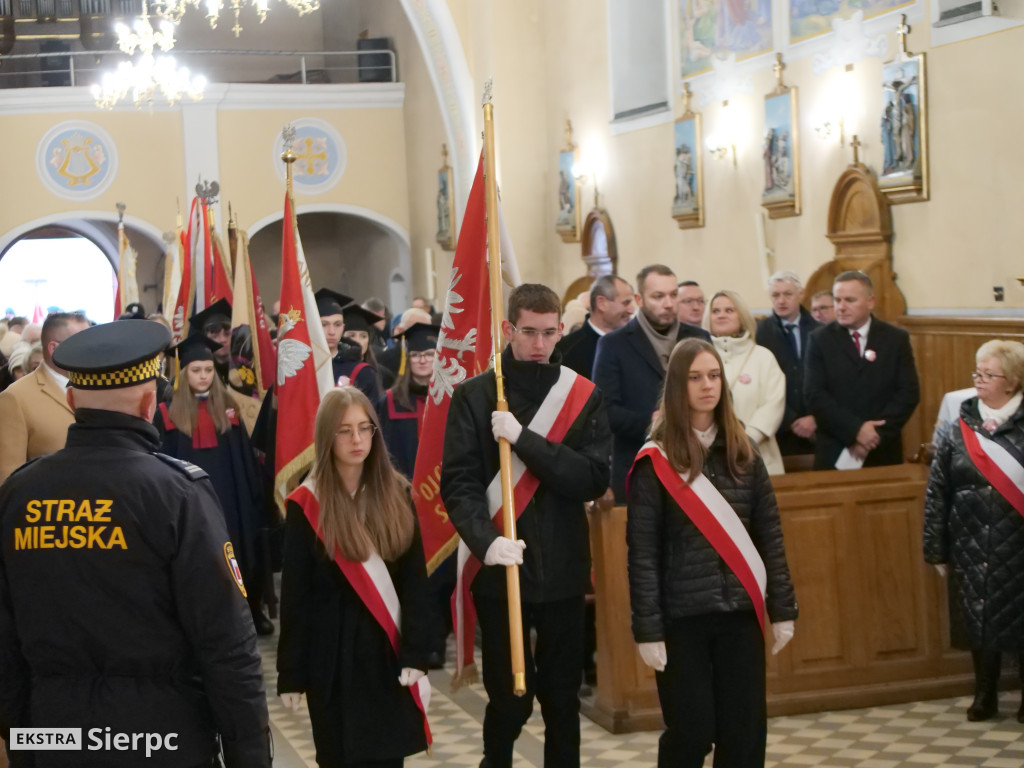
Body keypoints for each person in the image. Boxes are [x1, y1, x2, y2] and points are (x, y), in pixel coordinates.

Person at [0, 320, 271, 768]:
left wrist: (22, 743)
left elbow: (6, 644)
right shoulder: (178, 493)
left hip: (53, 736)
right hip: (162, 738)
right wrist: (251, 755)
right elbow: (226, 643)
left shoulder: (18, 495)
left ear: (71, 400)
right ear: (151, 402)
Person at [441, 283, 610, 768]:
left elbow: (592, 478)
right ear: (507, 329)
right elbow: (459, 483)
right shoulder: (474, 397)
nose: (540, 344)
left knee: (561, 700)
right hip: (500, 570)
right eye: (529, 332)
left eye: (549, 333)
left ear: (561, 330)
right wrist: (486, 541)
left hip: (562, 570)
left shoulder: (582, 396)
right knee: (509, 699)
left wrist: (524, 440)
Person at [627, 338, 798, 768]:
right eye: (695, 377)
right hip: (683, 618)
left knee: (744, 734)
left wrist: (783, 608)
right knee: (692, 732)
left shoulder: (745, 451)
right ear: (677, 387)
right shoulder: (657, 459)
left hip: (741, 614)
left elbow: (769, 536)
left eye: (714, 375)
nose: (708, 386)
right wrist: (647, 629)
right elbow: (642, 552)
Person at [277, 386, 433, 768]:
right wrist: (291, 674)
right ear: (326, 436)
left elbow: (415, 583)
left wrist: (415, 651)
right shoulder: (305, 502)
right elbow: (295, 597)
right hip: (329, 662)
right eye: (344, 430)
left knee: (386, 758)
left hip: (385, 657)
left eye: (365, 428)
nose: (357, 439)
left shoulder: (397, 493)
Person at [924, 339, 1024, 723]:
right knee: (978, 621)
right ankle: (985, 693)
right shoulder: (958, 426)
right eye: (976, 373)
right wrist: (935, 547)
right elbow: (937, 490)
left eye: (988, 374)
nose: (978, 380)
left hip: (1017, 541)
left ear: (1012, 382)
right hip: (970, 540)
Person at [154, 335, 274, 636]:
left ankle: (250, 608)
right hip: (188, 499)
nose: (204, 376)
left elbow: (245, 462)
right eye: (196, 370)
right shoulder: (167, 414)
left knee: (238, 548)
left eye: (208, 369)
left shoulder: (229, 408)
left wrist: (252, 499)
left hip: (229, 498)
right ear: (183, 373)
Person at [594, 265, 710, 501]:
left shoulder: (699, 338)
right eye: (658, 296)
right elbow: (606, 410)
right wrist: (655, 423)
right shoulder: (614, 344)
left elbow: (719, 394)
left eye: (673, 295)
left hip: (697, 463)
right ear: (639, 299)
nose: (668, 303)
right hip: (639, 464)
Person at [804, 271, 920, 470]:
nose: (841, 307)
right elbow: (814, 396)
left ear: (870, 301)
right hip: (835, 449)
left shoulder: (895, 339)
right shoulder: (819, 340)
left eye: (849, 300)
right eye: (837, 300)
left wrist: (874, 436)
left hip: (882, 450)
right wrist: (855, 431)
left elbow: (908, 393)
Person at [0, 311, 89, 483]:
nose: (91, 349)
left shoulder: (97, 387)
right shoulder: (15, 398)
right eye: (82, 343)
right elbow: (8, 479)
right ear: (54, 348)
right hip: (48, 505)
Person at [705, 290, 786, 475]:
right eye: (715, 311)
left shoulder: (763, 357)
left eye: (729, 310)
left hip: (758, 454)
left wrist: (747, 441)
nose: (722, 315)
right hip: (710, 456)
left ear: (741, 315)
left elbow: (774, 403)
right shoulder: (698, 357)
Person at [755, 271, 821, 457]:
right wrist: (790, 420)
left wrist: (816, 418)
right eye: (776, 295)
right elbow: (760, 384)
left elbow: (831, 381)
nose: (781, 301)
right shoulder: (759, 333)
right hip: (778, 429)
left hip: (819, 427)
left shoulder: (821, 332)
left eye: (788, 294)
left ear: (802, 294)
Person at [377, 323, 439, 479]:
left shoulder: (448, 400)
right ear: (407, 358)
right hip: (401, 487)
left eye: (429, 354)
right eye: (416, 355)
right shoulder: (390, 402)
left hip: (441, 490)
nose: (422, 360)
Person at [555, 274, 635, 379]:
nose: (632, 310)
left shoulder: (637, 342)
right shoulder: (566, 350)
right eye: (626, 303)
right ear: (601, 303)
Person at [315, 288, 382, 402]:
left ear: (343, 327)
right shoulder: (299, 367)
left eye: (337, 324)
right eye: (324, 324)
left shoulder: (361, 371)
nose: (331, 331)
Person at [343, 303, 393, 391]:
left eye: (363, 336)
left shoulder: (383, 375)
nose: (358, 341)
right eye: (351, 335)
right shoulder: (333, 371)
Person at [189, 298, 233, 385]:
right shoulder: (201, 375)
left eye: (227, 334)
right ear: (206, 340)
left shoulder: (245, 367)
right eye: (215, 336)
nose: (223, 340)